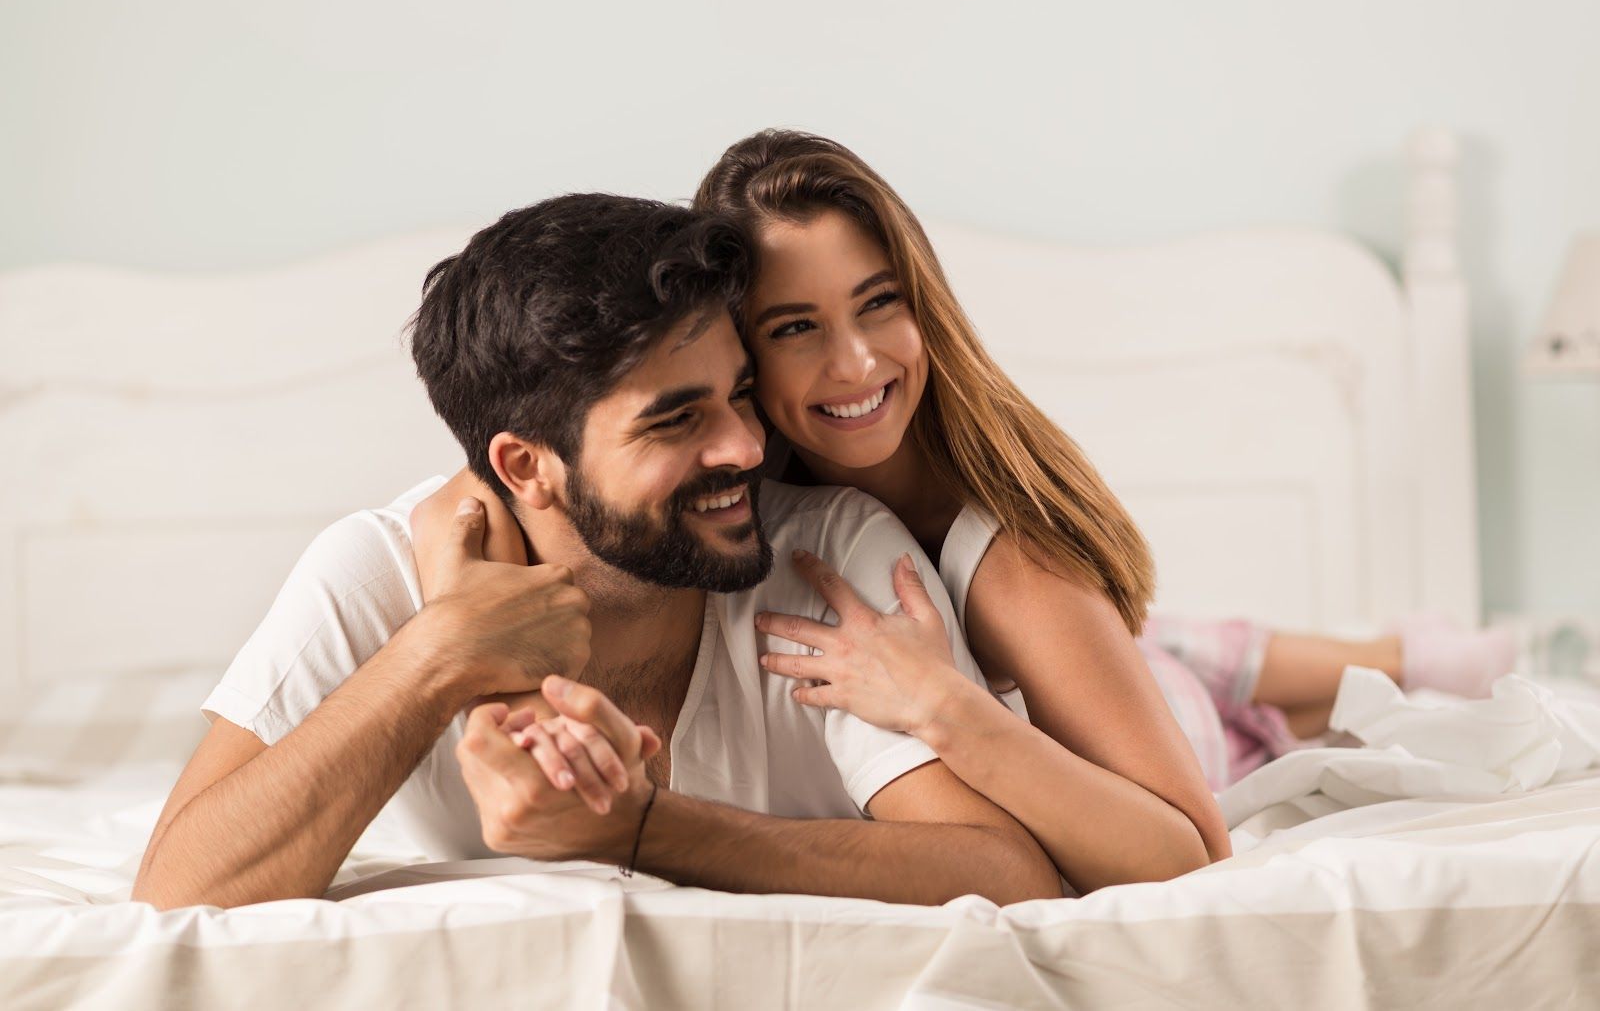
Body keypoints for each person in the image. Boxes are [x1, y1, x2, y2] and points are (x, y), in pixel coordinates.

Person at [413, 131, 1516, 887]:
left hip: (1141, 740)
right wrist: (448, 588)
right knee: (1173, 640)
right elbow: (468, 503)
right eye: (793, 327)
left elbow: (1187, 853)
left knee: (1204, 687)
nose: (854, 363)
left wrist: (941, 704)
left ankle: (1401, 658)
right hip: (1048, 676)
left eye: (879, 304)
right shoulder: (726, 496)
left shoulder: (1012, 556)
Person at [131, 194, 1064, 912]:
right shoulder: (378, 576)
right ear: (525, 466)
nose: (745, 446)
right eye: (677, 421)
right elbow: (180, 891)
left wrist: (644, 831)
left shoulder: (827, 552)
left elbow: (1008, 872)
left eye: (737, 395)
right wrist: (439, 657)